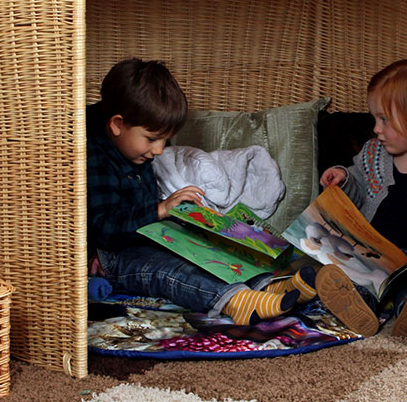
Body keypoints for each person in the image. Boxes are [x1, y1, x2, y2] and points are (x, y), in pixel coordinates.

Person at [87, 58, 305, 325]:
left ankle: (267, 285)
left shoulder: (135, 150)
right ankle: (235, 301)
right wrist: (159, 209)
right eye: (152, 139)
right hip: (108, 257)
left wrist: (184, 218)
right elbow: (103, 228)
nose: (159, 150)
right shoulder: (93, 154)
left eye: (165, 140)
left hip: (145, 238)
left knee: (199, 248)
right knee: (168, 270)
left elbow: (146, 211)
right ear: (117, 124)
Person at [315, 58, 407, 338]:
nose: (376, 128)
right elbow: (360, 186)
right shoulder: (374, 153)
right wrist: (343, 178)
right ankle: (356, 309)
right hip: (374, 252)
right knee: (358, 279)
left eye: (385, 120)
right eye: (375, 119)